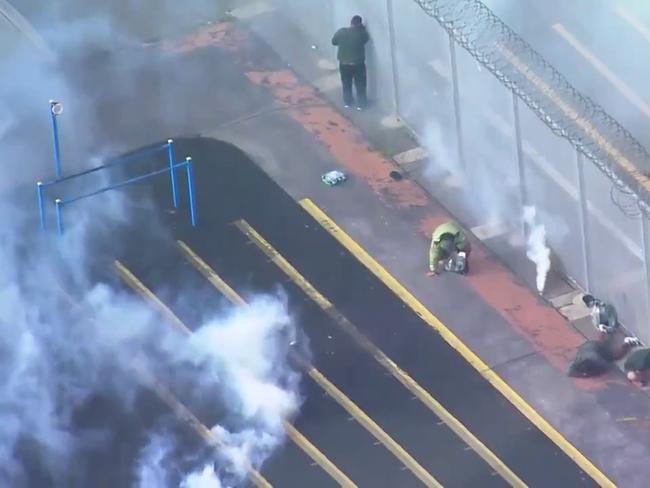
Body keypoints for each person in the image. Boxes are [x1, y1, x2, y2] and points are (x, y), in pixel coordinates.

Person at [331, 15, 369, 110]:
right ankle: (361, 104)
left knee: (346, 83)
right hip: (357, 64)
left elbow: (334, 42)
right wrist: (362, 29)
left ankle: (348, 102)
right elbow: (366, 39)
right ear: (359, 24)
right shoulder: (361, 34)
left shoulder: (341, 31)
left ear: (351, 22)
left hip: (344, 64)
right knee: (360, 84)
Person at [568, 331, 640, 378]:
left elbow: (605, 365)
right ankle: (603, 330)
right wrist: (584, 374)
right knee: (602, 342)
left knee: (616, 356)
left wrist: (590, 374)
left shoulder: (594, 358)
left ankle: (627, 343)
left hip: (596, 350)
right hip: (588, 346)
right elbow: (570, 372)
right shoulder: (578, 361)